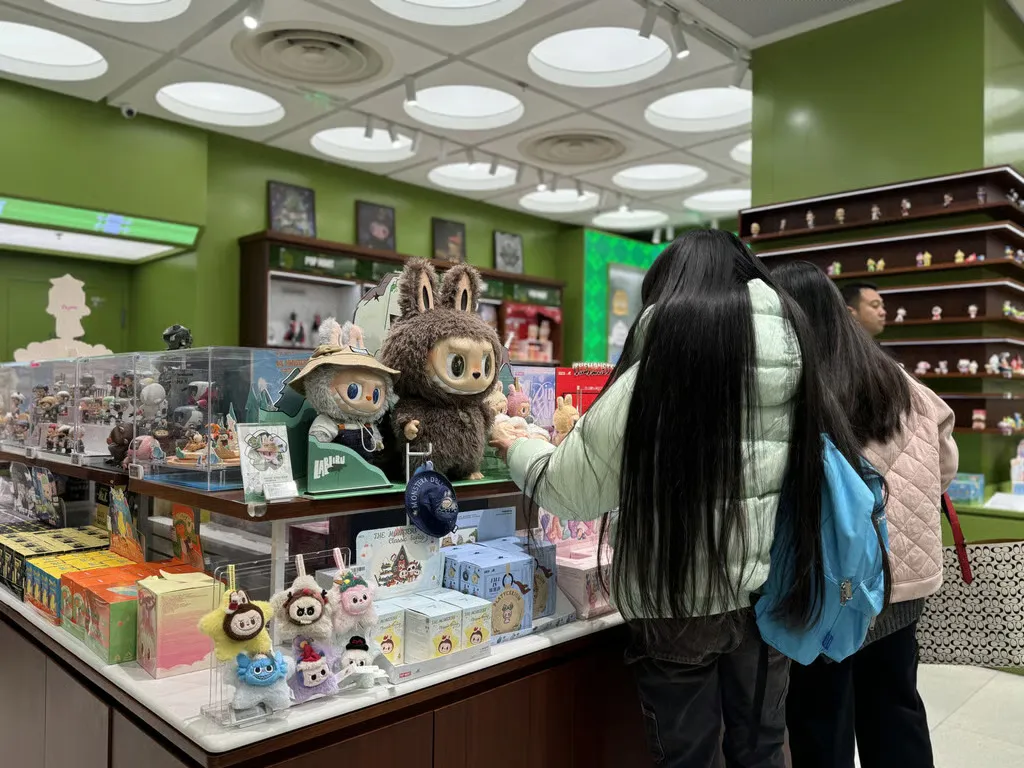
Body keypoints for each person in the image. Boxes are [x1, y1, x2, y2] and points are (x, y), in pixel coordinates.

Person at [490, 230, 863, 768]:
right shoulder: (797, 354)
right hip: (773, 588)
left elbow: (570, 489)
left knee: (687, 757)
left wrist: (517, 445)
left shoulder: (660, 363)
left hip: (675, 597)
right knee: (762, 748)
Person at [772, 261, 958, 768]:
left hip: (833, 580)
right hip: (903, 576)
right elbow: (945, 457)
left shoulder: (799, 384)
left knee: (821, 716)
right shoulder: (895, 376)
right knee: (896, 705)